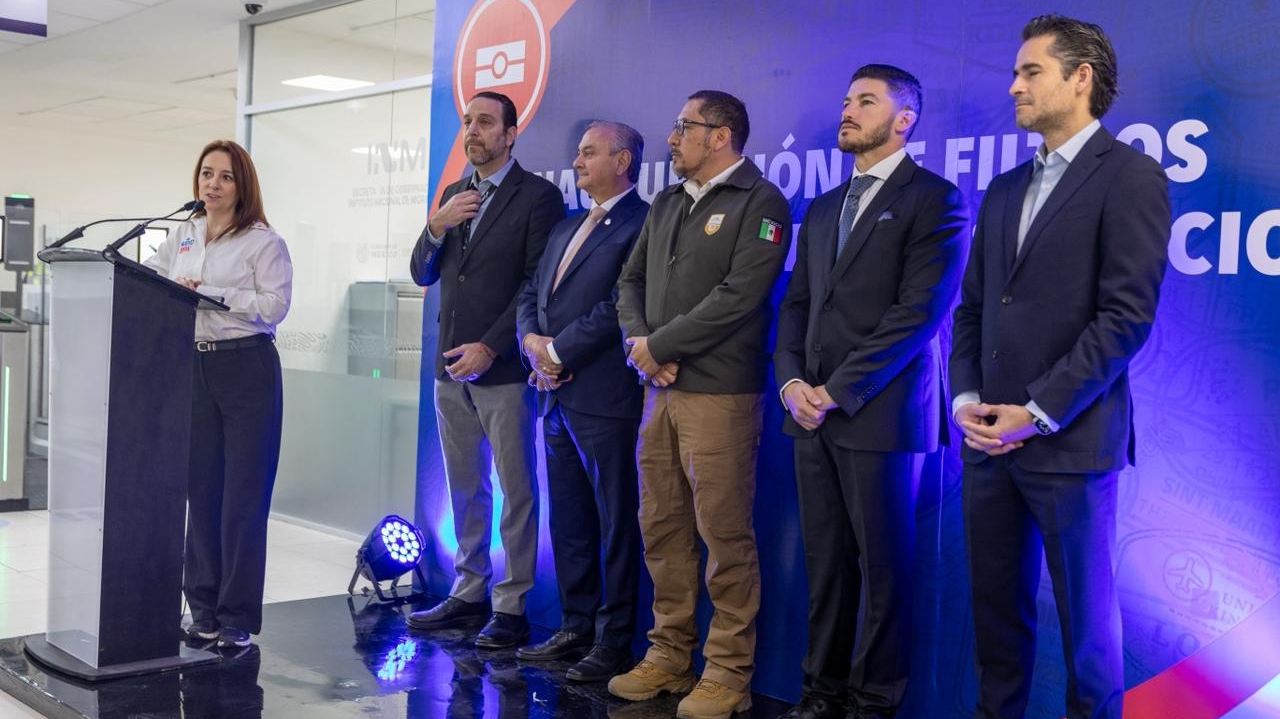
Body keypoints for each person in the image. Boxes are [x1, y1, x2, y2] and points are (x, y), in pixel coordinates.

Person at [949, 14, 1170, 719]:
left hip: (1071, 444)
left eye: (1030, 72)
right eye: (1015, 73)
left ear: (1080, 78)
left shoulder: (1130, 177)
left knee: (1088, 638)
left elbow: (1125, 317)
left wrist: (1038, 411)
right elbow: (973, 307)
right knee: (995, 624)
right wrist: (965, 399)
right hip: (988, 443)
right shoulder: (1004, 188)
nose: (1013, 86)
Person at [774, 65, 968, 719]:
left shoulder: (935, 199)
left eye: (866, 100)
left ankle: (873, 701)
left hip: (881, 414)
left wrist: (836, 389)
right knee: (825, 564)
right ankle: (820, 692)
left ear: (904, 119)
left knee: (885, 570)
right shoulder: (824, 207)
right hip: (809, 414)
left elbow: (918, 315)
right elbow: (796, 305)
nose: (848, 110)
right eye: (846, 99)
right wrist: (792, 383)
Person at [611, 90, 790, 719]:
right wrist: (641, 346)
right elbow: (629, 282)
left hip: (720, 394)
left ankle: (728, 673)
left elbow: (740, 296)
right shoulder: (666, 201)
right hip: (657, 391)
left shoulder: (761, 201)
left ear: (719, 135)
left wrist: (659, 346)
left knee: (723, 534)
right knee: (661, 527)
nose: (671, 137)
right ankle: (668, 655)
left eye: (683, 126)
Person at [406, 91, 564, 649]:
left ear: (510, 134)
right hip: (449, 368)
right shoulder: (454, 195)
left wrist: (492, 347)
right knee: (465, 486)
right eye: (468, 121)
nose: (472, 130)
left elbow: (535, 286)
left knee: (516, 490)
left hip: (503, 371)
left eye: (485, 122)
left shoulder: (538, 197)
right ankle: (468, 590)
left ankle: (512, 605)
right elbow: (422, 273)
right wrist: (436, 226)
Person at [513, 120, 649, 682]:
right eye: (578, 152)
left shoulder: (643, 223)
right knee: (569, 519)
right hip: (554, 397)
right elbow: (530, 292)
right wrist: (531, 342)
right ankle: (575, 626)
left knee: (616, 523)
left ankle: (613, 641)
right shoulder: (567, 225)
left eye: (589, 153)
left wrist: (557, 352)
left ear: (622, 160)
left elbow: (620, 305)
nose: (576, 161)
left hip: (604, 398)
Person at [147, 139, 292, 649]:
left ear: (241, 185)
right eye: (207, 173)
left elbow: (275, 306)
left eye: (225, 176)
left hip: (246, 366)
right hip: (194, 366)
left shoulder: (263, 242)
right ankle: (203, 609)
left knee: (243, 498)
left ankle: (236, 616)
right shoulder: (183, 235)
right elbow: (153, 283)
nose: (213, 184)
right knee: (202, 493)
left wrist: (213, 295)